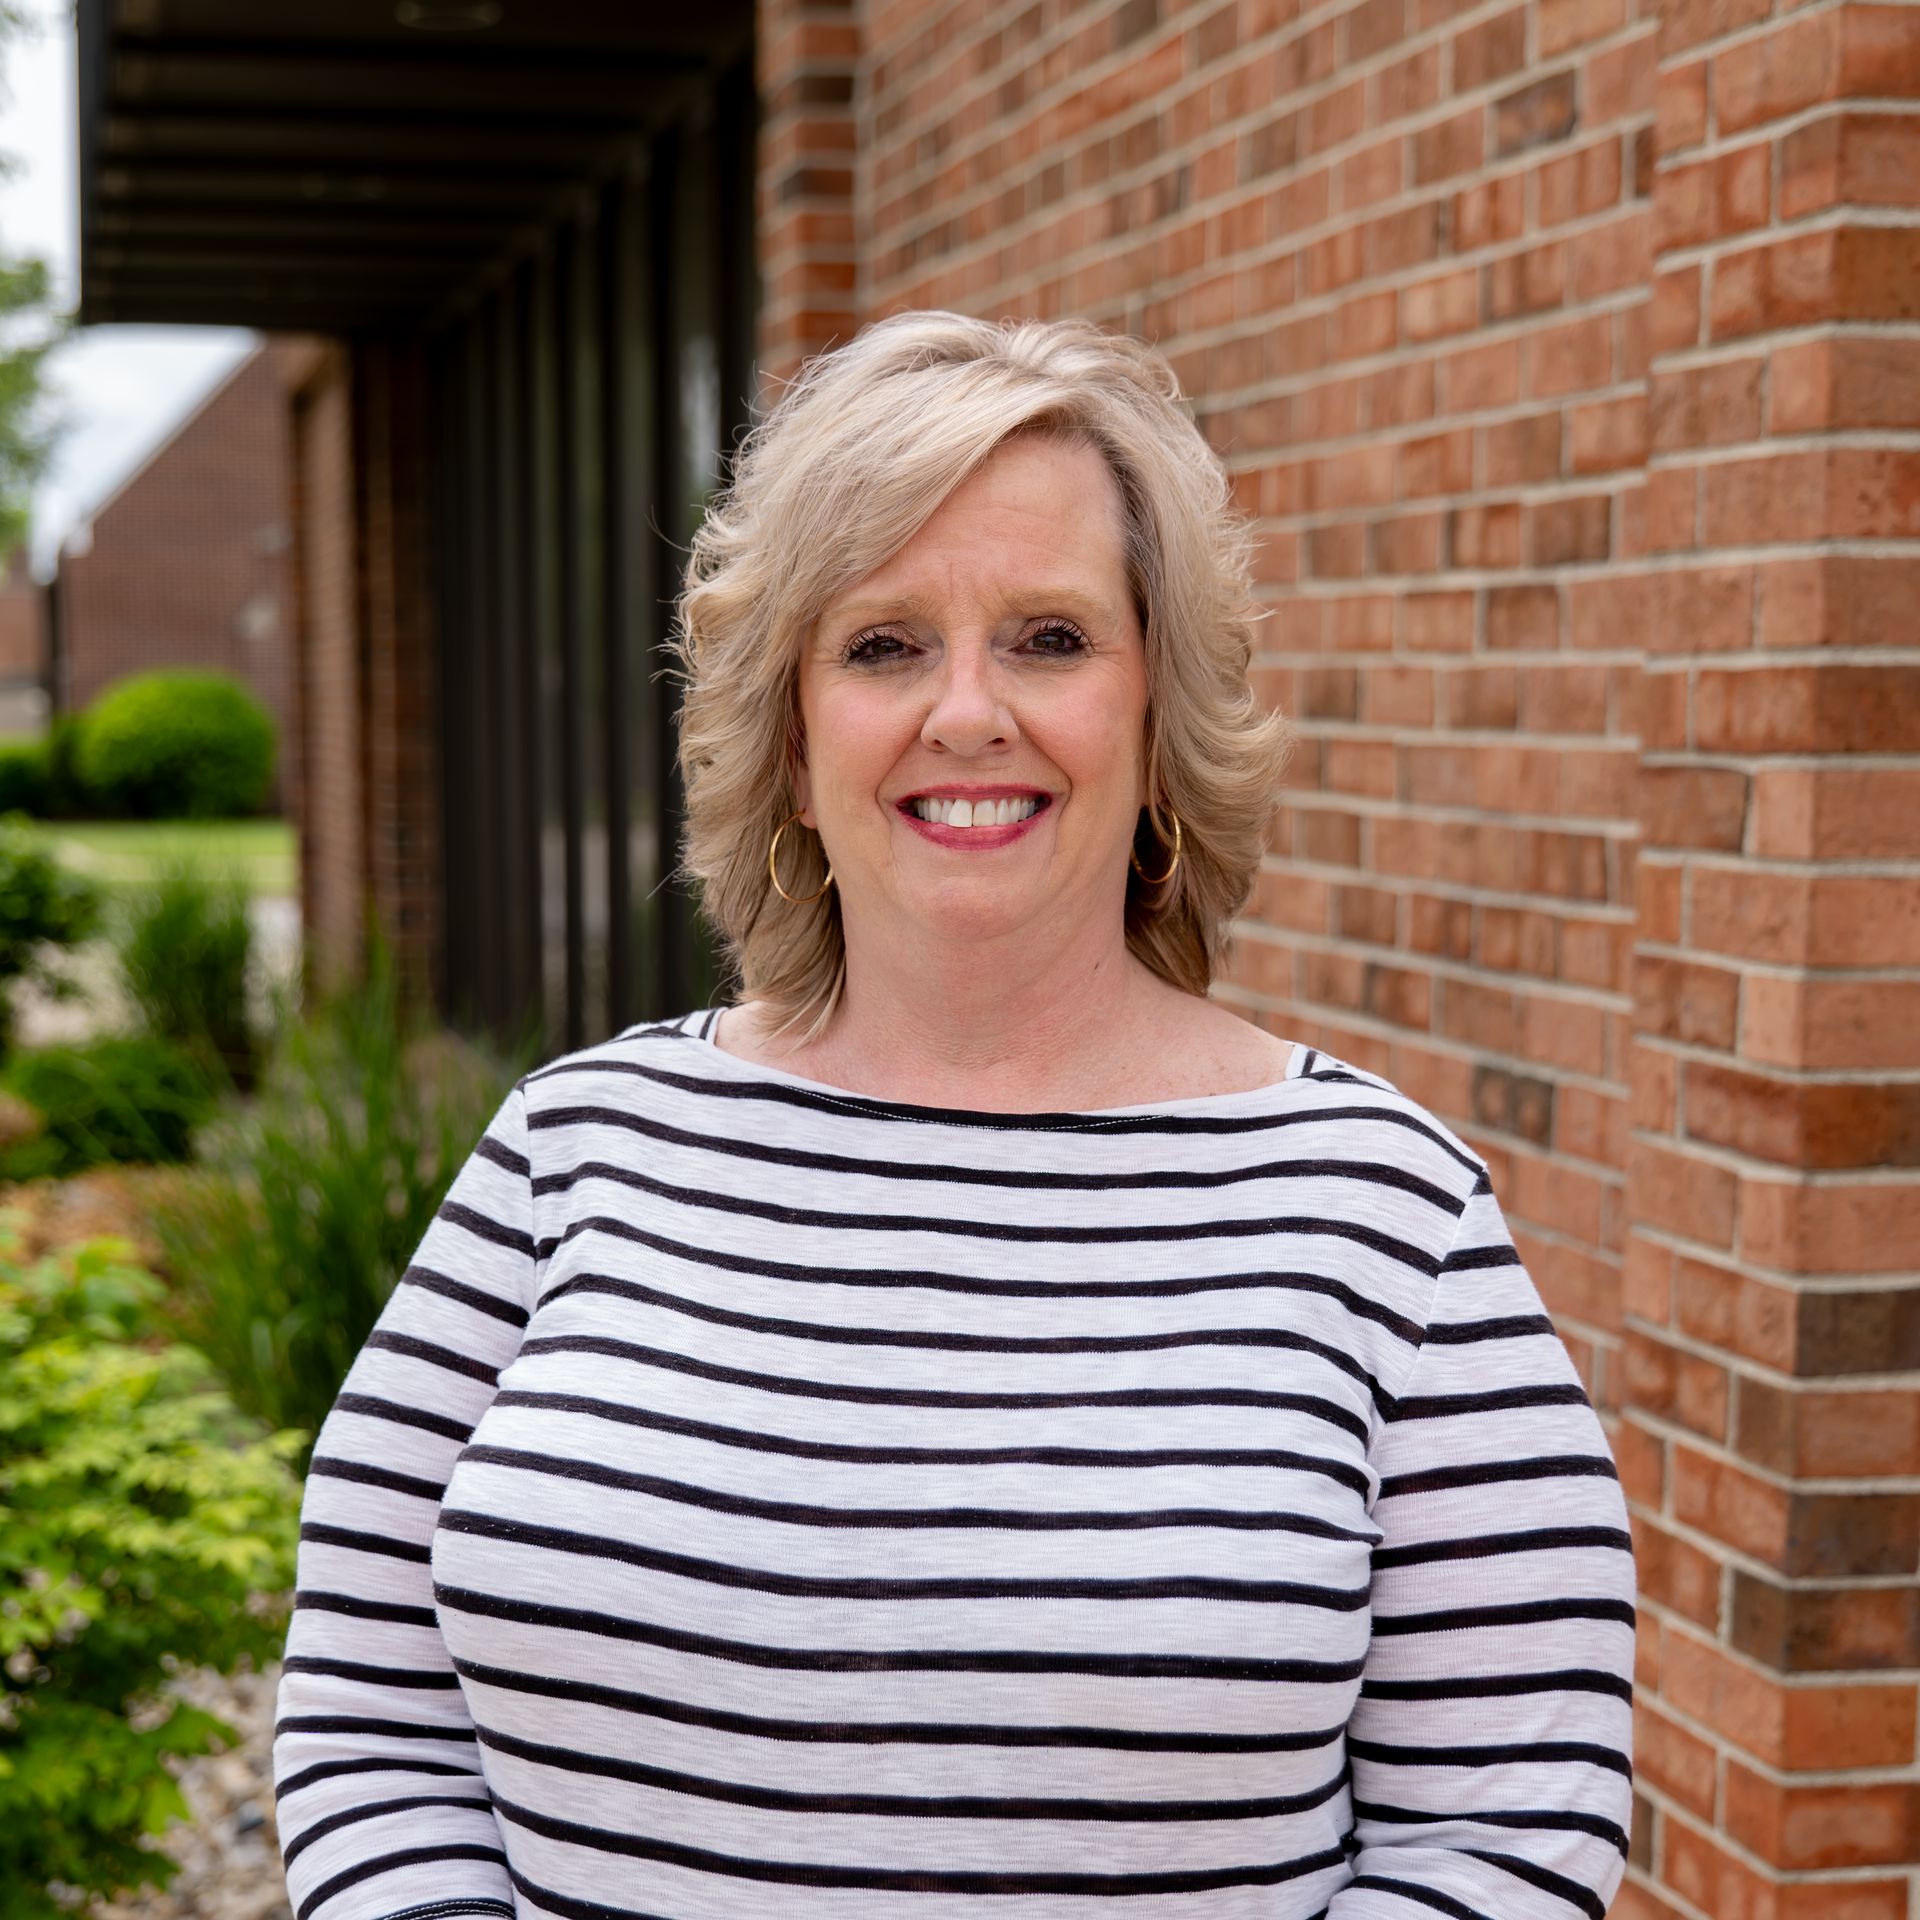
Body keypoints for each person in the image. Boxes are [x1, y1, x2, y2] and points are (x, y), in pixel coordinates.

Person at [275, 311, 1634, 1920]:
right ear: (790, 741)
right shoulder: (573, 1151)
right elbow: (370, 1708)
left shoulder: (1383, 1211)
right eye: (883, 644)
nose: (968, 713)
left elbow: (1510, 1824)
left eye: (1049, 640)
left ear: (1156, 716)